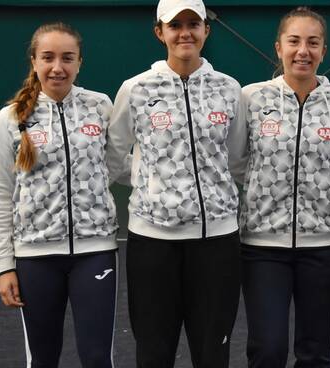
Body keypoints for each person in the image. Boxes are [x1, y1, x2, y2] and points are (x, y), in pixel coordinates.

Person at [104, 0, 241, 366]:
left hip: (217, 241)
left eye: (193, 24)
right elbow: (113, 157)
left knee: (213, 351)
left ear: (206, 32)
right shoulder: (135, 89)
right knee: (154, 351)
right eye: (175, 24)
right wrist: (149, 188)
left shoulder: (229, 89)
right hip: (152, 244)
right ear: (159, 32)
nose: (185, 32)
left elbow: (237, 155)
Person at [0, 22, 119, 367]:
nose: (57, 67)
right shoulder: (12, 117)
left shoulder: (100, 106)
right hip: (34, 258)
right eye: (48, 57)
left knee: (97, 357)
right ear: (34, 61)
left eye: (67, 58)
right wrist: (4, 266)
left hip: (95, 252)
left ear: (79, 63)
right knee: (42, 358)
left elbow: (120, 165)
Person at [227, 7, 330, 368]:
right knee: (267, 348)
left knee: (315, 352)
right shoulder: (251, 99)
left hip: (324, 245)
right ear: (278, 47)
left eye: (313, 43)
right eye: (294, 42)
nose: (304, 51)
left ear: (323, 51)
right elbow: (237, 157)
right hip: (262, 245)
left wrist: (323, 181)